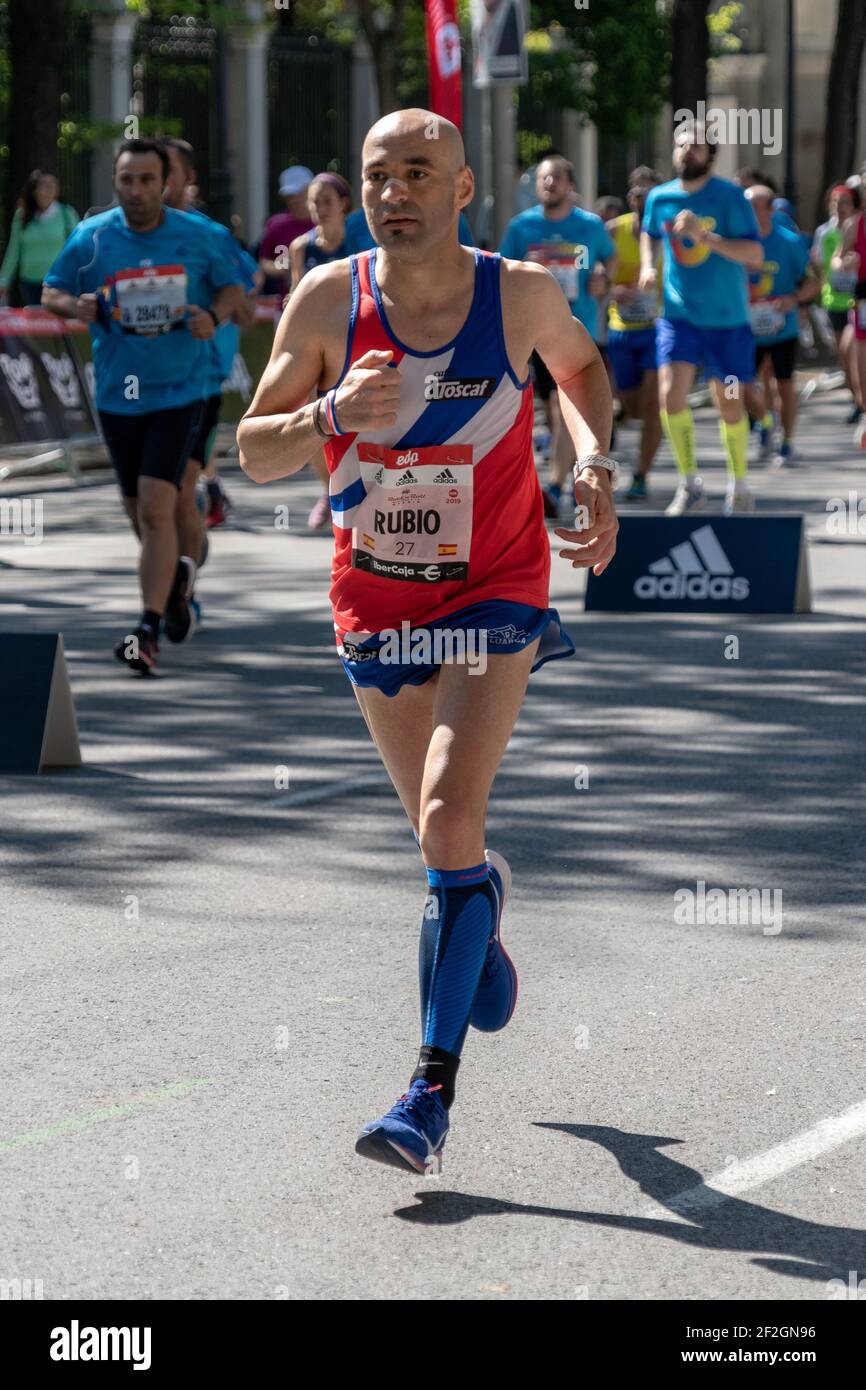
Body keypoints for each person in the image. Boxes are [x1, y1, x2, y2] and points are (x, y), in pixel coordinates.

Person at [237, 108, 618, 1175]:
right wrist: (327, 416)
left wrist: (589, 462)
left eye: (419, 172)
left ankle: (424, 1097)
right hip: (376, 598)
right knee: (442, 844)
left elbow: (581, 374)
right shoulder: (325, 300)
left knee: (452, 815)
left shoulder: (520, 292)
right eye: (376, 175)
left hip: (495, 585)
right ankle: (478, 898)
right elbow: (253, 452)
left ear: (461, 190)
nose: (394, 190)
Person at [42, 139, 245, 675]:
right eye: (125, 180)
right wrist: (76, 306)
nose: (135, 191)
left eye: (146, 180)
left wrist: (214, 316)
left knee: (159, 504)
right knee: (140, 513)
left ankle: (146, 630)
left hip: (180, 390)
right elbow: (52, 292)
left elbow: (234, 290)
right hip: (118, 394)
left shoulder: (199, 236)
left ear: (165, 183)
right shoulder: (93, 236)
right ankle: (175, 581)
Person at [641, 122, 762, 515]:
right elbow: (650, 234)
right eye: (681, 145)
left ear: (711, 154)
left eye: (695, 147)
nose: (687, 152)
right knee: (670, 395)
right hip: (678, 317)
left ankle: (738, 483)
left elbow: (754, 255)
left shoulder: (729, 197)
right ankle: (689, 482)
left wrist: (704, 236)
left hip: (726, 322)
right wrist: (647, 267)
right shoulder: (660, 197)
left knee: (728, 401)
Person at [500, 154, 616, 517]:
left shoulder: (590, 226)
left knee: (564, 405)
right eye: (543, 179)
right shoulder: (522, 227)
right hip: (533, 331)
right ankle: (561, 474)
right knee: (553, 410)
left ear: (570, 185)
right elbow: (501, 271)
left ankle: (556, 484)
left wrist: (603, 279)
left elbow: (610, 260)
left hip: (576, 327)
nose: (548, 184)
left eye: (556, 178)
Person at [162, 138, 259, 559]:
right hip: (137, 381)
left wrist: (218, 311)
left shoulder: (210, 236)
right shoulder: (118, 233)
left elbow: (247, 302)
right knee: (150, 496)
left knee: (180, 482)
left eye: (165, 174)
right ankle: (189, 532)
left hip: (199, 375)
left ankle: (180, 579)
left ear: (188, 179)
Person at [287, 172, 353, 530]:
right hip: (316, 346)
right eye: (314, 202)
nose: (319, 209)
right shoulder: (301, 248)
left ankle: (362, 489)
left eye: (326, 201)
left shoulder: (359, 246)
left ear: (343, 204)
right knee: (314, 419)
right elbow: (296, 297)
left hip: (353, 343)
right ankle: (328, 492)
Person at [742, 185, 818, 467]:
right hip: (746, 327)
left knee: (784, 384)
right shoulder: (739, 243)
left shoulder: (789, 242)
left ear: (770, 210)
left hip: (782, 327)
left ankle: (786, 443)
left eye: (755, 206)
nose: (748, 212)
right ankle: (764, 421)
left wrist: (794, 299)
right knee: (739, 384)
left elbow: (813, 281)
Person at [607, 169, 663, 500]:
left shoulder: (670, 233)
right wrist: (614, 289)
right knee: (633, 406)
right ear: (631, 200)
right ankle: (626, 414)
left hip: (660, 329)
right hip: (623, 330)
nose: (644, 200)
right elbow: (591, 268)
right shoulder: (614, 231)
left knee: (654, 403)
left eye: (651, 193)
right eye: (639, 194)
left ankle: (641, 474)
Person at [812, 184, 860, 422]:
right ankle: (856, 398)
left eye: (845, 203)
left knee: (852, 349)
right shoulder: (824, 232)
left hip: (856, 299)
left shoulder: (857, 228)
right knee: (842, 353)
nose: (840, 208)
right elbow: (821, 264)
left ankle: (860, 400)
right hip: (834, 299)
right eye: (836, 202)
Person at [0, 171, 78, 306]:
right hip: (29, 283)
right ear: (34, 190)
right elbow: (14, 250)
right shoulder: (22, 216)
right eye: (44, 185)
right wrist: (3, 280)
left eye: (53, 185)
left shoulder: (67, 214)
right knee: (36, 325)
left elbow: (78, 248)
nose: (50, 189)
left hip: (59, 284)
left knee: (55, 325)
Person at [258, 167, 315, 298]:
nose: (294, 199)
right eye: (289, 195)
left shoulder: (326, 222)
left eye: (299, 192)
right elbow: (265, 261)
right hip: (287, 304)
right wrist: (285, 267)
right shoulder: (277, 225)